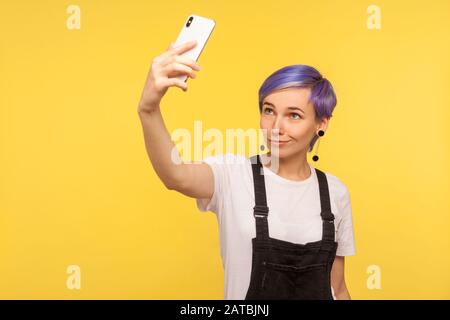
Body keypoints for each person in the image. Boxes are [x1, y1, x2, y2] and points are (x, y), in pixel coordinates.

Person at [137, 40, 356, 300]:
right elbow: (176, 175)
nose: (276, 126)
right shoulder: (233, 174)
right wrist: (148, 110)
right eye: (269, 111)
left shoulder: (334, 192)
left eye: (294, 115)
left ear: (322, 123)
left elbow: (338, 288)